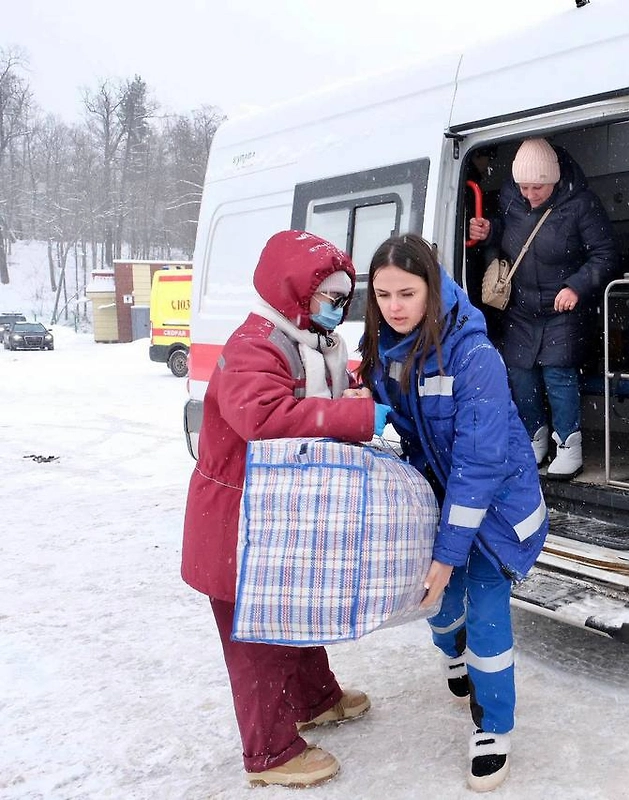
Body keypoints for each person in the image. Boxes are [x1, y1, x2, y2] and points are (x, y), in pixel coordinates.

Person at [181, 230, 390, 788]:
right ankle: (270, 753)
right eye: (329, 297)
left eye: (344, 300)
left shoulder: (306, 339)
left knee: (293, 609)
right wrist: (358, 418)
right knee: (256, 638)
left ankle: (316, 698)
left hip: (272, 517)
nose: (337, 309)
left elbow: (314, 387)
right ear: (295, 292)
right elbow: (265, 418)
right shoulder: (256, 345)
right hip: (233, 525)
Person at [356, 233, 549, 792]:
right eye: (383, 294)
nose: (394, 306)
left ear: (432, 291)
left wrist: (447, 551)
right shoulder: (385, 349)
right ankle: (452, 652)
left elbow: (479, 464)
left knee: (484, 610)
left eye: (407, 293)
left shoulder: (474, 355)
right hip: (436, 497)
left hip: (491, 507)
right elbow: (386, 411)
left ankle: (494, 726)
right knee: (436, 602)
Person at [468, 137, 618, 479]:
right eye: (524, 187)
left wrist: (576, 286)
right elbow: (505, 237)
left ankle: (568, 444)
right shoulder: (510, 198)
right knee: (520, 374)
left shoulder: (580, 204)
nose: (530, 195)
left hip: (562, 307)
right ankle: (533, 437)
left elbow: (605, 254)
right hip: (521, 306)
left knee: (557, 373)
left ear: (553, 180)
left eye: (538, 187)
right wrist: (489, 230)